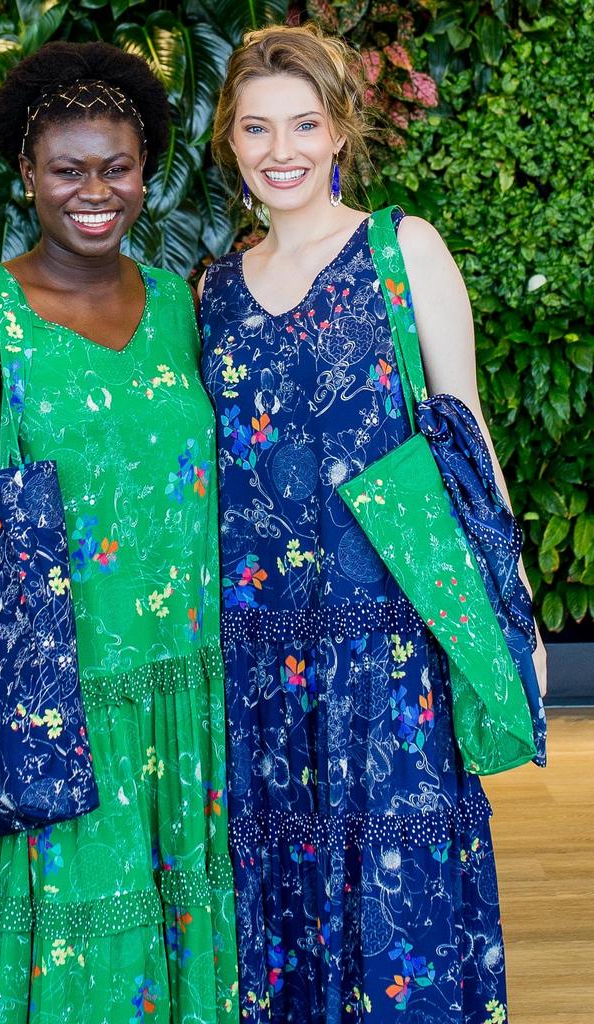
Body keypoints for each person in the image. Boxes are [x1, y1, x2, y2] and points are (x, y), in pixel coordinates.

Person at [198, 23, 547, 1024]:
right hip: (256, 655)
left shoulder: (402, 250)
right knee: (275, 897)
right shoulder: (212, 290)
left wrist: (509, 603)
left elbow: (463, 429)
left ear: (341, 126)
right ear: (231, 139)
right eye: (258, 128)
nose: (282, 150)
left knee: (397, 895)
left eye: (304, 123)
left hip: (385, 643)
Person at [0, 40, 238, 1024]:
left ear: (146, 174)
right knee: (78, 940)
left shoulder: (185, 304)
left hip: (185, 689)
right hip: (58, 699)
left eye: (117, 167)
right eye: (68, 169)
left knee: (183, 933)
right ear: (27, 173)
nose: (95, 191)